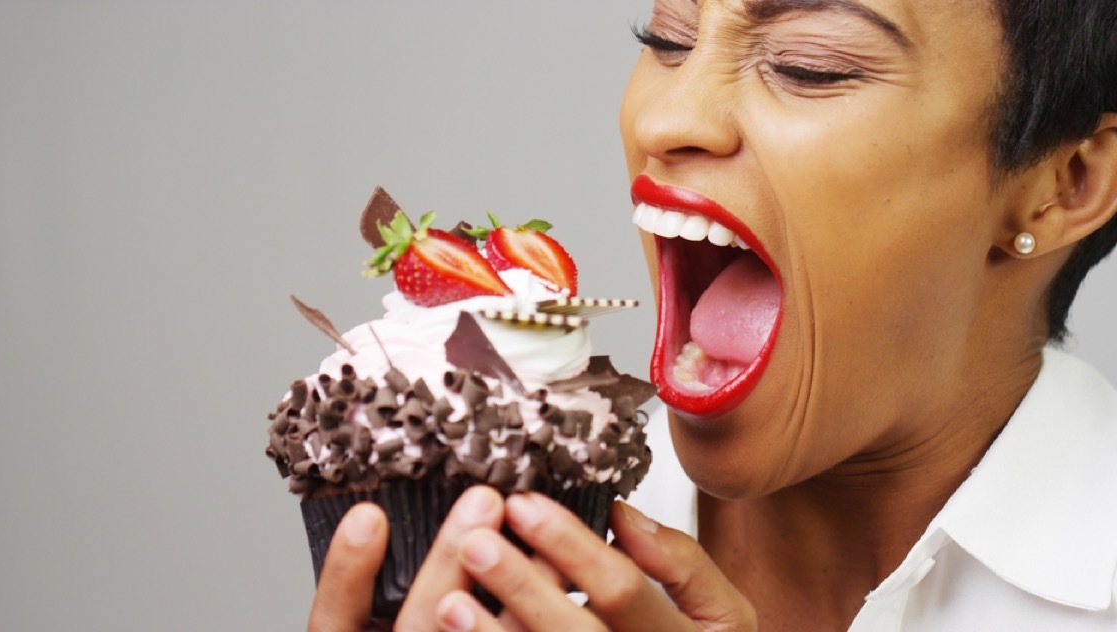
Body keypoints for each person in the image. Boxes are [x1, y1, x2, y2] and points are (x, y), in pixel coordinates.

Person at [309, 0, 1117, 629]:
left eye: (810, 65)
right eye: (666, 36)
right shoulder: (503, 541)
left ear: (1067, 181)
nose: (665, 119)